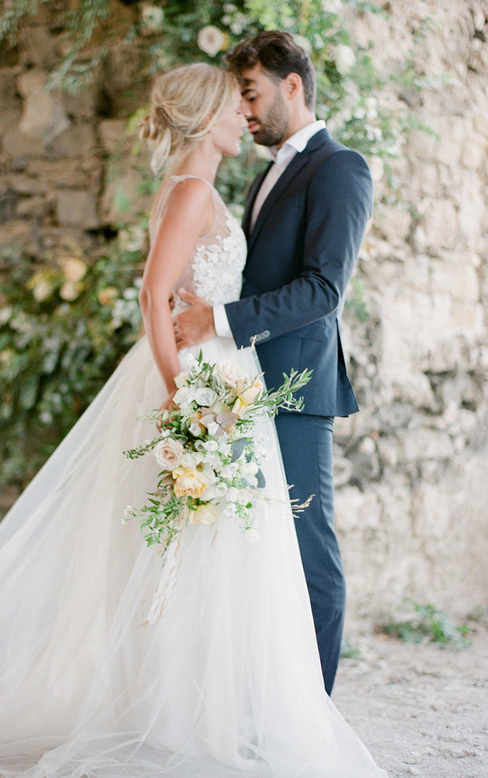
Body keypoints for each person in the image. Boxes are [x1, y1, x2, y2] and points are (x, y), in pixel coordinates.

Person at [0, 64, 386, 777]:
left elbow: (292, 285)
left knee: (237, 553)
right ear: (206, 119)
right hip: (204, 385)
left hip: (235, 381)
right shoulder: (197, 190)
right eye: (236, 107)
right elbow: (153, 296)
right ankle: (190, 709)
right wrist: (181, 396)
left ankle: (247, 705)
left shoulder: (226, 184)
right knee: (198, 552)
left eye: (250, 101)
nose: (245, 119)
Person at [173, 31, 374, 695]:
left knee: (308, 553)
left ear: (293, 85)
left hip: (297, 390)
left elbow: (324, 289)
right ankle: (266, 703)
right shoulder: (269, 170)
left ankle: (313, 713)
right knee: (262, 556)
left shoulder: (340, 167)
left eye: (252, 94)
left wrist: (217, 320)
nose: (246, 110)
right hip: (249, 387)